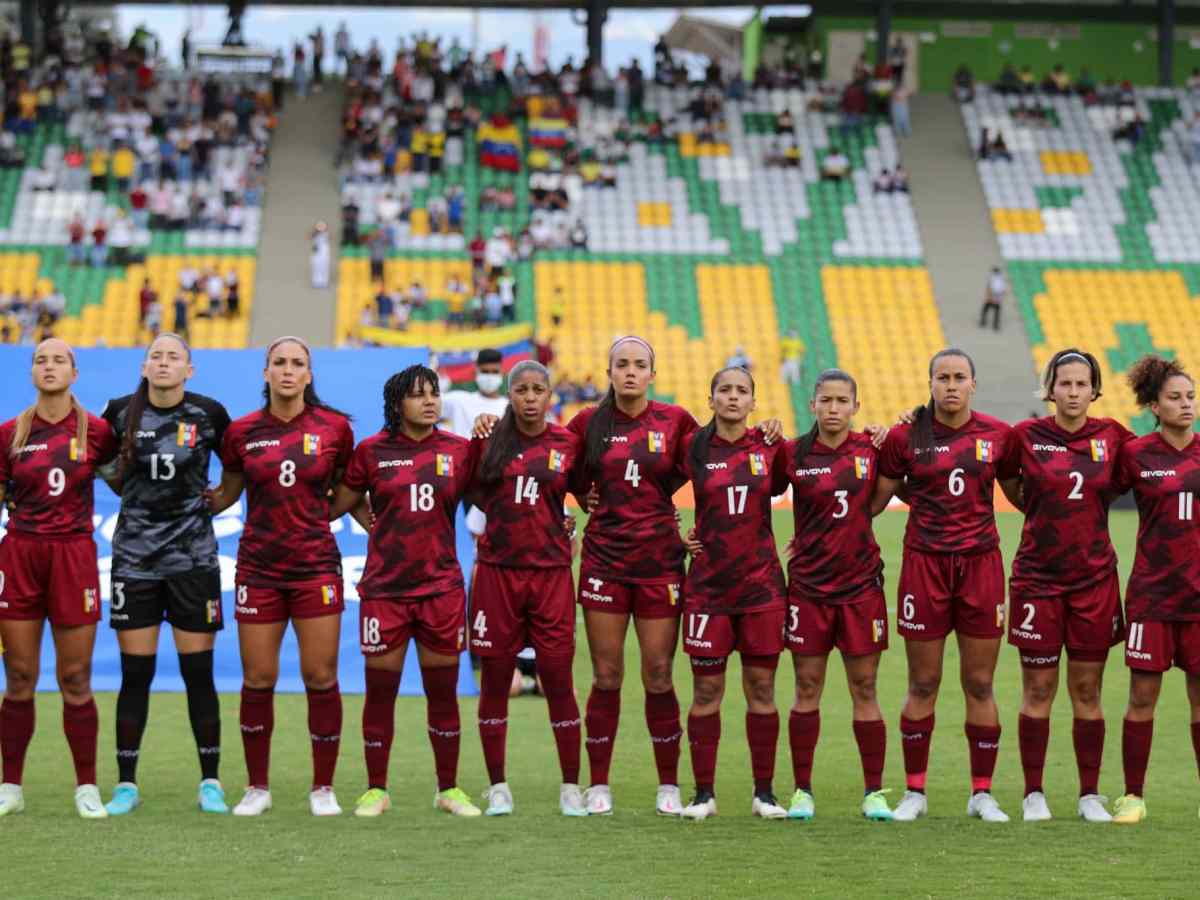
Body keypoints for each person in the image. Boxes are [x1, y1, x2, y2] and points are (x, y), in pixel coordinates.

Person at [561, 336, 781, 816]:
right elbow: (562, 469)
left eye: (640, 365)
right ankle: (599, 783)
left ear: (653, 374)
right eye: (622, 365)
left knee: (659, 674)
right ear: (610, 371)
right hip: (604, 562)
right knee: (606, 673)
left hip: (660, 561)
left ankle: (668, 784)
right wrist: (581, 499)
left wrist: (765, 430)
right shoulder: (588, 422)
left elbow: (714, 461)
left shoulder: (675, 421)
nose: (631, 373)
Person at [209, 336, 354, 817]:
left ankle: (323, 788)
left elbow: (350, 491)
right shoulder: (242, 432)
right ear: (266, 373)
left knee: (320, 675)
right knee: (259, 676)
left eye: (298, 364)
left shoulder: (334, 429)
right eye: (279, 363)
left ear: (309, 375)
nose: (288, 370)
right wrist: (177, 498)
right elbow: (227, 493)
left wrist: (322, 518)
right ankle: (257, 787)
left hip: (315, 567)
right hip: (259, 568)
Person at [329, 366, 480, 818]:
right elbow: (342, 499)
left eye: (434, 394)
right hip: (385, 590)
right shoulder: (372, 451)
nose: (430, 401)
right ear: (398, 404)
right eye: (418, 395)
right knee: (381, 693)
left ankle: (448, 789)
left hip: (441, 590)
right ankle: (376, 788)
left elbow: (491, 497)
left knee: (443, 694)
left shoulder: (460, 451)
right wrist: (371, 525)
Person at [872, 348, 1014, 822]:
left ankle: (982, 793)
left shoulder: (999, 436)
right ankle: (915, 792)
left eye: (959, 377)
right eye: (942, 377)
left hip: (980, 567)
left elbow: (1023, 495)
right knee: (923, 681)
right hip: (925, 565)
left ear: (973, 384)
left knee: (979, 682)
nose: (950, 384)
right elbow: (871, 503)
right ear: (929, 382)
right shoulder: (904, 437)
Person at [98, 334, 233, 816]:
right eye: (156, 355)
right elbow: (103, 463)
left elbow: (236, 469)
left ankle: (211, 783)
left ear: (189, 370)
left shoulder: (209, 414)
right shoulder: (117, 412)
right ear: (144, 365)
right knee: (137, 675)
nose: (163, 362)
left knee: (199, 674)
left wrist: (220, 500)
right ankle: (126, 785)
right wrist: (130, 496)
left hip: (193, 562)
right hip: (134, 562)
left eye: (173, 356)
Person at [996, 349, 1133, 823]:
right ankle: (1034, 793)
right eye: (1064, 384)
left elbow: (1138, 473)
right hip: (1037, 579)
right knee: (1037, 688)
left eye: (1081, 385)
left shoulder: (1114, 437)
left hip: (1094, 580)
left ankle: (1089, 794)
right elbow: (1012, 488)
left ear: (1094, 390)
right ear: (1049, 388)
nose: (1073, 393)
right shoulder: (1024, 437)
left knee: (1087, 690)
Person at [0, 339, 118, 819]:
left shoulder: (98, 432)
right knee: (20, 677)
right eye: (40, 360)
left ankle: (86, 786)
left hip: (74, 557)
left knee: (75, 677)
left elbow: (125, 483)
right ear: (31, 373)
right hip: (21, 555)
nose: (48, 367)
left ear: (75, 372)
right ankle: (10, 785)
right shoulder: (10, 432)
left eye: (58, 360)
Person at [467, 361, 588, 816]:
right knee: (496, 681)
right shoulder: (487, 439)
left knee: (558, 679)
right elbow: (469, 491)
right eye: (522, 389)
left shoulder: (566, 443)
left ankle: (570, 787)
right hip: (498, 573)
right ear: (510, 394)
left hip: (552, 574)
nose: (531, 397)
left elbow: (585, 493)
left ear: (550, 394)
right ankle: (498, 786)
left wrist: (567, 530)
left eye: (539, 389)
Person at [676, 367, 789, 820]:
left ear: (753, 402)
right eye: (724, 389)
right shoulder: (692, 448)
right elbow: (644, 486)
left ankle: (765, 793)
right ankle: (703, 794)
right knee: (706, 692)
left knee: (762, 689)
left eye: (742, 391)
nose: (733, 397)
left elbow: (816, 492)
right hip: (707, 590)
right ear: (711, 399)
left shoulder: (770, 446)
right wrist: (673, 531)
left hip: (761, 588)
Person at [780, 369, 893, 821]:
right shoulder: (792, 454)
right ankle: (802, 791)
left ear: (855, 407)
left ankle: (873, 793)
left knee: (864, 687)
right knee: (807, 687)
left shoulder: (872, 450)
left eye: (841, 401)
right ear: (812, 406)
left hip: (861, 588)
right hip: (808, 588)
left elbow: (883, 498)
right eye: (824, 400)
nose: (832, 408)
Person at [1108, 356, 1200, 824]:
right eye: (1175, 398)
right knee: (1142, 697)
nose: (1186, 405)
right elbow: (1094, 496)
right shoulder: (1136, 455)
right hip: (1152, 597)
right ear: (1154, 406)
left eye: (1190, 396)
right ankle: (1133, 796)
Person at [440, 348, 509, 438]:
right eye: (485, 372)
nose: (489, 376)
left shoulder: (510, 409)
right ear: (476, 371)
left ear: (502, 372)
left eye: (494, 372)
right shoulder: (459, 401)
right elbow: (422, 404)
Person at [980, 267, 1006, 331]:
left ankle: (984, 322)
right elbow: (1003, 291)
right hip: (996, 298)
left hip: (993, 297)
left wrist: (991, 297)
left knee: (986, 310)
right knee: (995, 312)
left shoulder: (994, 278)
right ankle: (994, 325)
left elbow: (990, 288)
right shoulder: (1000, 279)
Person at [310, 222, 331, 289]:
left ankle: (324, 281)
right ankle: (316, 281)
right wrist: (316, 231)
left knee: (324, 266)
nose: (320, 229)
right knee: (316, 266)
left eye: (322, 227)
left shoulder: (326, 234)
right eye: (319, 227)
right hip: (316, 253)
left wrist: (322, 230)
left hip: (324, 253)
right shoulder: (315, 235)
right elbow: (311, 236)